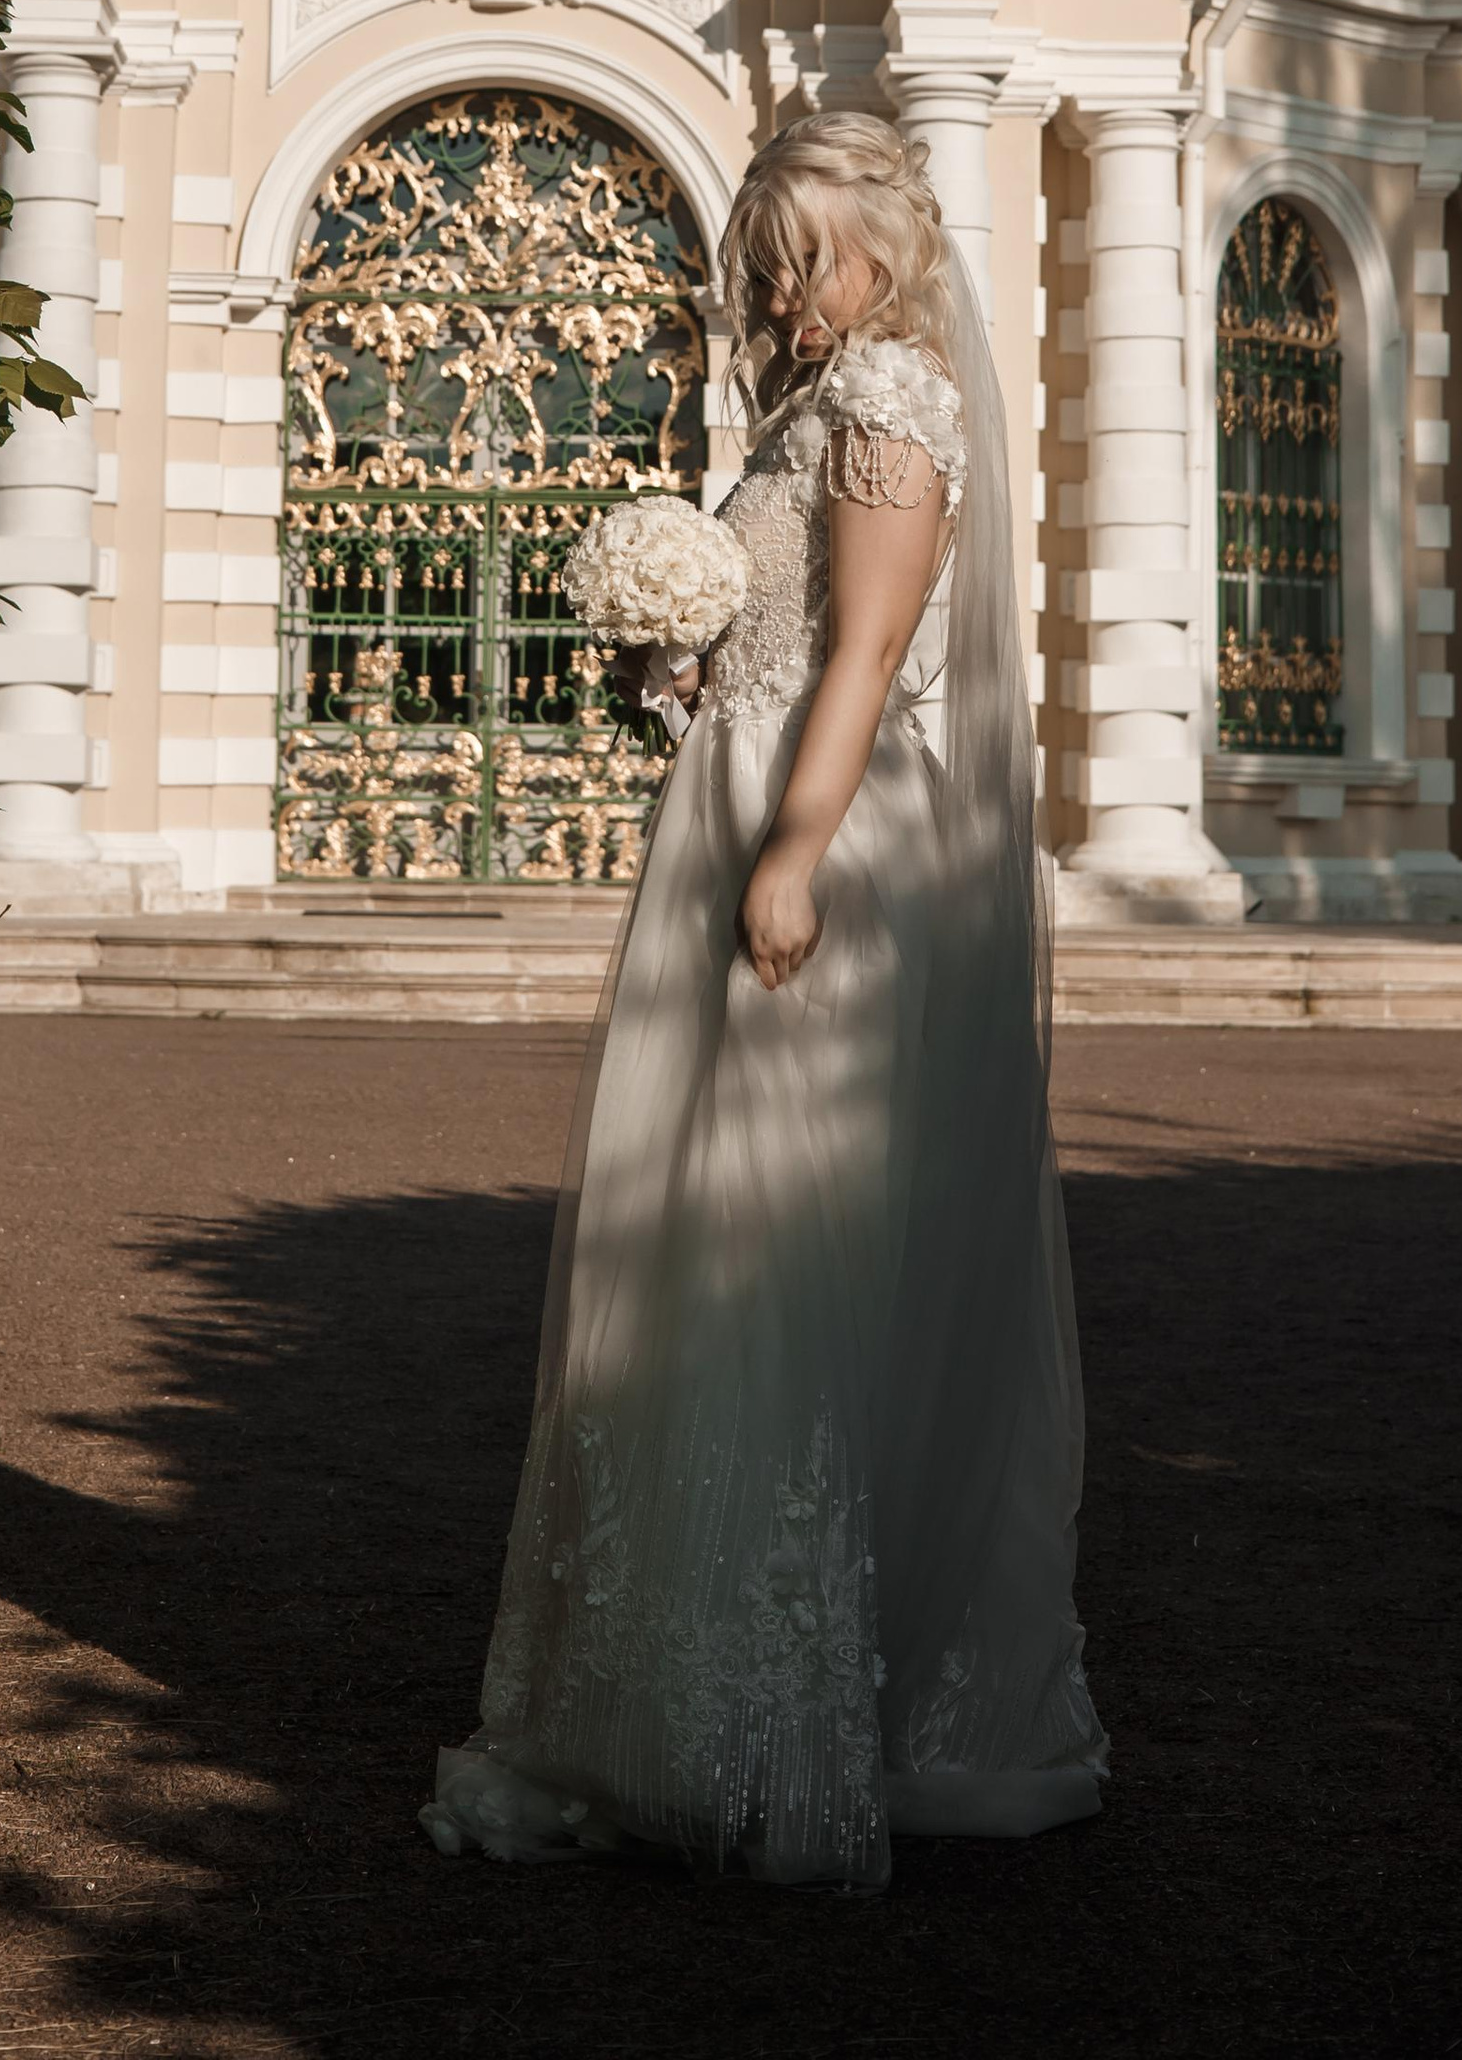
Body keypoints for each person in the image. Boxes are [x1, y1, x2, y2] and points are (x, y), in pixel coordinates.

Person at [422, 115, 1106, 1888]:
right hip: (734, 807)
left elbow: (873, 657)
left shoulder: (895, 402)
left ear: (886, 249)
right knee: (690, 1228)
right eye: (771, 253)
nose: (788, 286)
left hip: (828, 846)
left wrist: (794, 848)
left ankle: (784, 1726)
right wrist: (686, 654)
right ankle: (677, 1691)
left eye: (816, 252)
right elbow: (793, 644)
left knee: (772, 1237)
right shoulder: (808, 412)